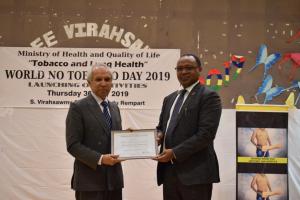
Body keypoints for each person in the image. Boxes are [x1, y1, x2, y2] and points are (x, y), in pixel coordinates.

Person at [154, 54, 222, 200]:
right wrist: (158, 136)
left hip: (196, 173)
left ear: (199, 70)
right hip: (169, 172)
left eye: (188, 68)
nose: (183, 72)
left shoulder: (209, 97)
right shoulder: (170, 99)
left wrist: (174, 153)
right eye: (179, 69)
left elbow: (206, 134)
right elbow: (161, 127)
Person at [66, 64, 123, 200]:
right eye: (98, 79)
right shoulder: (78, 107)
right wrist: (101, 159)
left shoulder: (114, 107)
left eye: (107, 79)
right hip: (89, 182)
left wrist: (128, 136)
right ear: (89, 83)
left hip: (114, 181)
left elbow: (113, 138)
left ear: (112, 83)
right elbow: (73, 145)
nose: (103, 83)